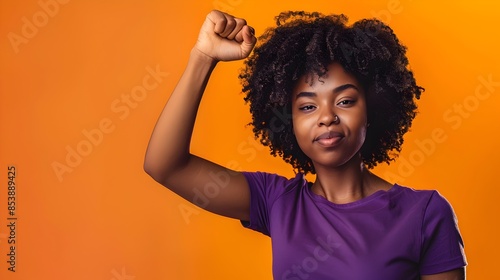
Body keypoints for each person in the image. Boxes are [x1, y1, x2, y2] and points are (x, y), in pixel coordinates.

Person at [144, 9, 467, 279]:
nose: (326, 117)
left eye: (344, 101)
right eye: (308, 107)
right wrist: (203, 57)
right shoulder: (277, 202)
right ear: (290, 124)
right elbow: (166, 165)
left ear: (372, 110)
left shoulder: (424, 213)